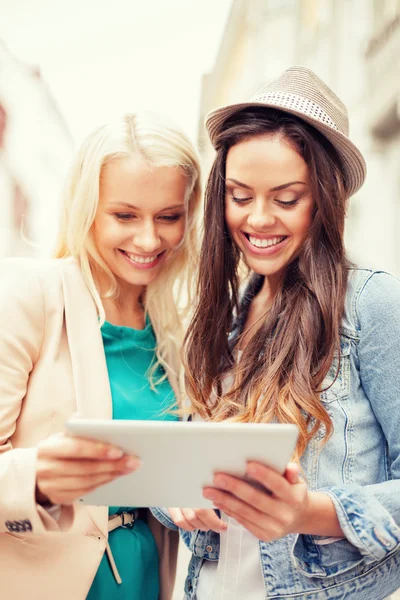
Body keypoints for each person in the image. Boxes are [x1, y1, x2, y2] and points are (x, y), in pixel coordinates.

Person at [154, 66, 400, 599]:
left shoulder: (373, 306)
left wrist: (309, 512)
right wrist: (172, 493)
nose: (258, 219)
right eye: (240, 196)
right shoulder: (220, 320)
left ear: (326, 200)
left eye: (286, 199)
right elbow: (184, 463)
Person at [0, 111, 201, 600]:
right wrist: (40, 480)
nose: (149, 240)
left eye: (168, 217)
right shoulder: (29, 294)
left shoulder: (177, 328)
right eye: (125, 215)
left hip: (147, 579)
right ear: (86, 209)